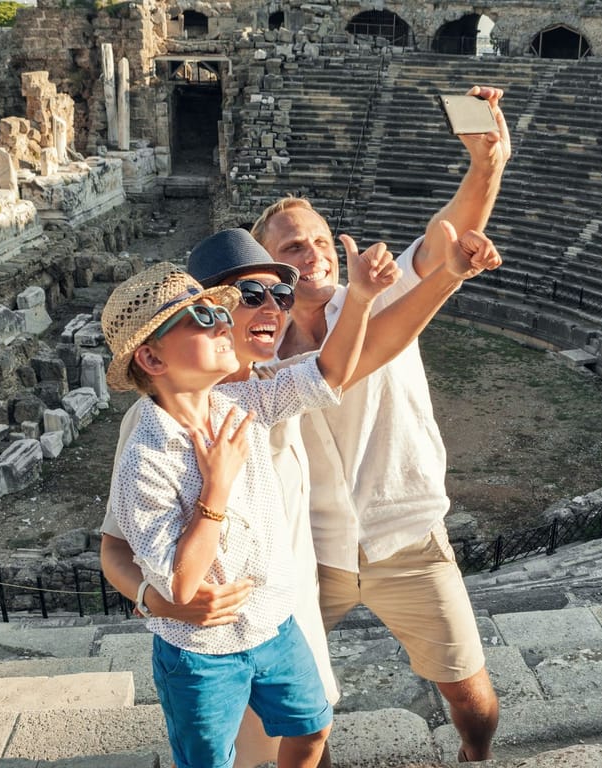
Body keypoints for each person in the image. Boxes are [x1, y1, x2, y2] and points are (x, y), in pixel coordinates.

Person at [105, 85, 511, 764]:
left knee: (452, 697)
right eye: (266, 278)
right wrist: (160, 598)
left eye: (319, 245)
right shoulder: (200, 405)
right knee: (280, 734)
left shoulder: (303, 361)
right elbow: (117, 546)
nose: (309, 261)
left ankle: (476, 754)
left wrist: (485, 170)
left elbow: (414, 282)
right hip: (289, 576)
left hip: (396, 534)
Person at [100, 233, 397, 768]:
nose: (223, 326)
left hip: (273, 622)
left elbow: (330, 372)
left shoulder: (243, 399)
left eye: (221, 314)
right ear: (151, 356)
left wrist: (360, 297)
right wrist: (216, 489)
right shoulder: (145, 454)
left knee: (313, 728)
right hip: (202, 651)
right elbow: (182, 583)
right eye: (206, 320)